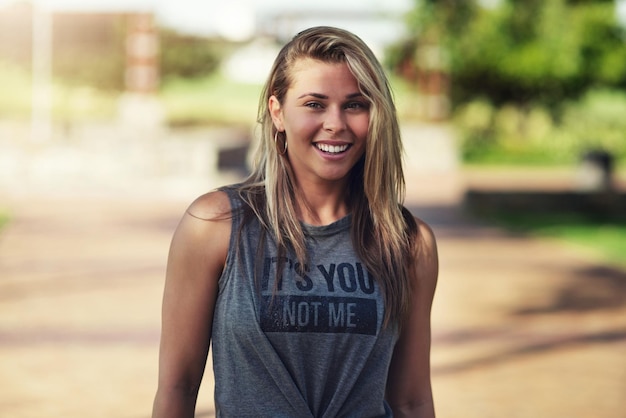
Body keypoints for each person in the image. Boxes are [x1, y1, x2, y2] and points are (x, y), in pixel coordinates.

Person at [152, 26, 438, 418]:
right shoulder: (215, 225)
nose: (335, 123)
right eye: (314, 104)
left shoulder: (406, 242)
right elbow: (177, 387)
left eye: (354, 104)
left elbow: (411, 400)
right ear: (277, 112)